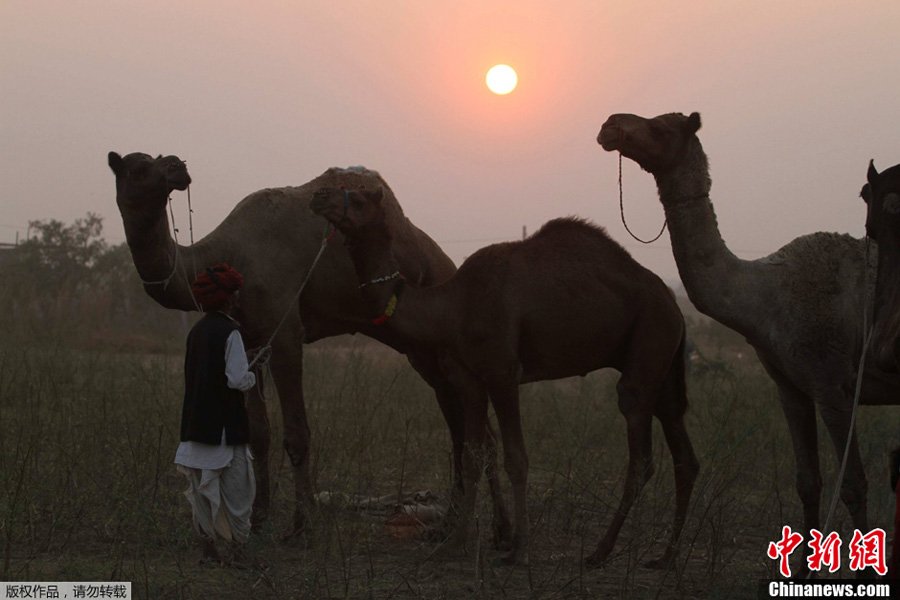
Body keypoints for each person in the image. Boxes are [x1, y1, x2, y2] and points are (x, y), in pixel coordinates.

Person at [175, 264, 257, 566]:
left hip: (196, 427)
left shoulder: (196, 331)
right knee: (239, 494)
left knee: (201, 494)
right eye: (234, 294)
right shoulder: (231, 332)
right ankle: (239, 555)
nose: (236, 299)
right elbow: (236, 380)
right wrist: (252, 374)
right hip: (224, 430)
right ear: (227, 299)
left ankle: (209, 553)